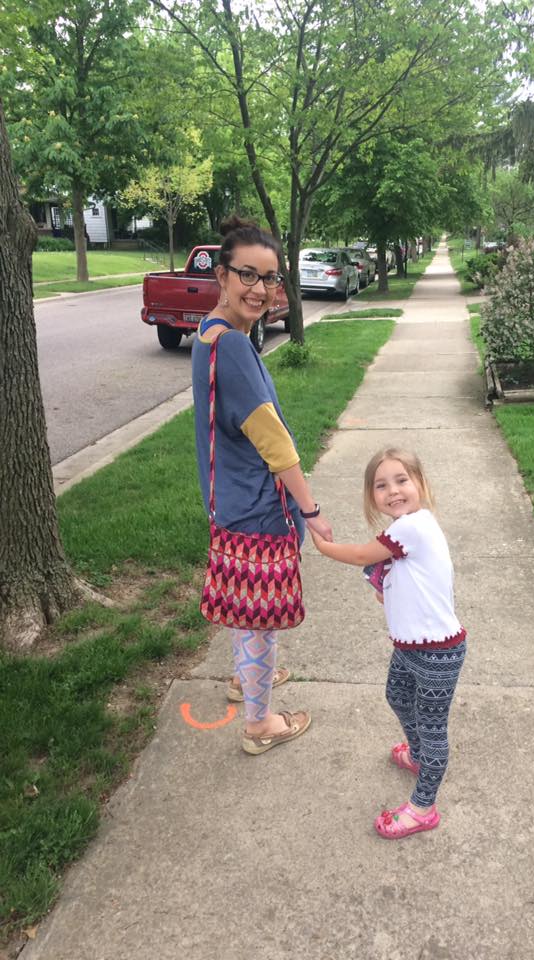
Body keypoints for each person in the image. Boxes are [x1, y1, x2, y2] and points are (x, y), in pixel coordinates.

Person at [191, 215, 333, 755]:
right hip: (257, 507)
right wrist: (311, 510)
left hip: (228, 499)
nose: (260, 289)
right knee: (260, 620)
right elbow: (274, 443)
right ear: (222, 275)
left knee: (243, 601)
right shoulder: (232, 346)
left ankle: (244, 678)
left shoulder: (209, 332)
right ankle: (260, 724)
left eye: (270, 278)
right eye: (246, 275)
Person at [309, 448, 466, 839]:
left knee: (432, 728)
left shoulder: (412, 526)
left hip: (437, 653)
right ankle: (417, 755)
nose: (393, 491)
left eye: (401, 480)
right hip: (410, 647)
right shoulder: (405, 534)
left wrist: (324, 548)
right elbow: (395, 579)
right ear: (372, 495)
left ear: (420, 484)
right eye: (381, 485)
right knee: (396, 696)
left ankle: (423, 808)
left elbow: (363, 554)